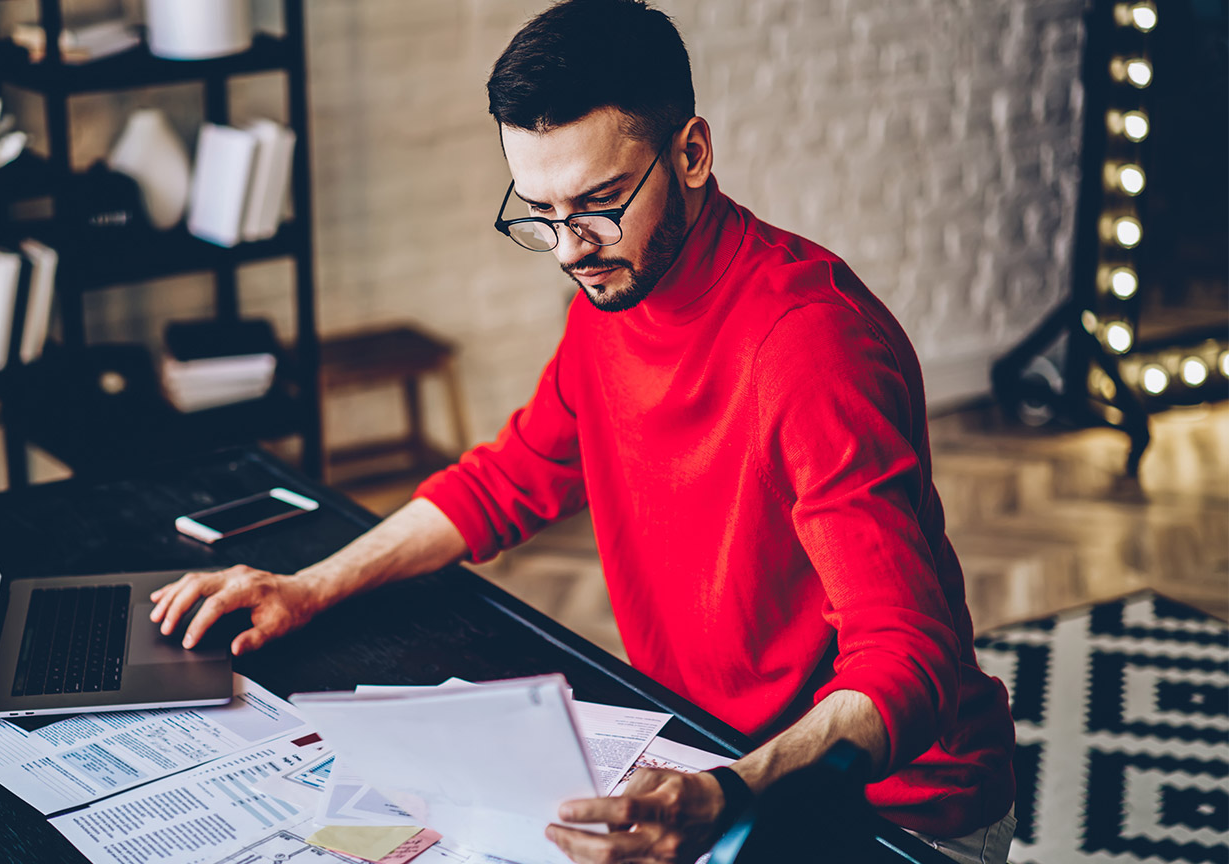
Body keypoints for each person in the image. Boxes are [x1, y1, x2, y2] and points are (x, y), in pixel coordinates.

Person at [149, 1, 1017, 862]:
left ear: (692, 154)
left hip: (892, 813)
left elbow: (909, 661)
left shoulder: (811, 347)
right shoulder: (613, 296)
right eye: (542, 211)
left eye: (600, 203)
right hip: (713, 756)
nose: (570, 248)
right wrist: (308, 588)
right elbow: (508, 478)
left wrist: (729, 793)